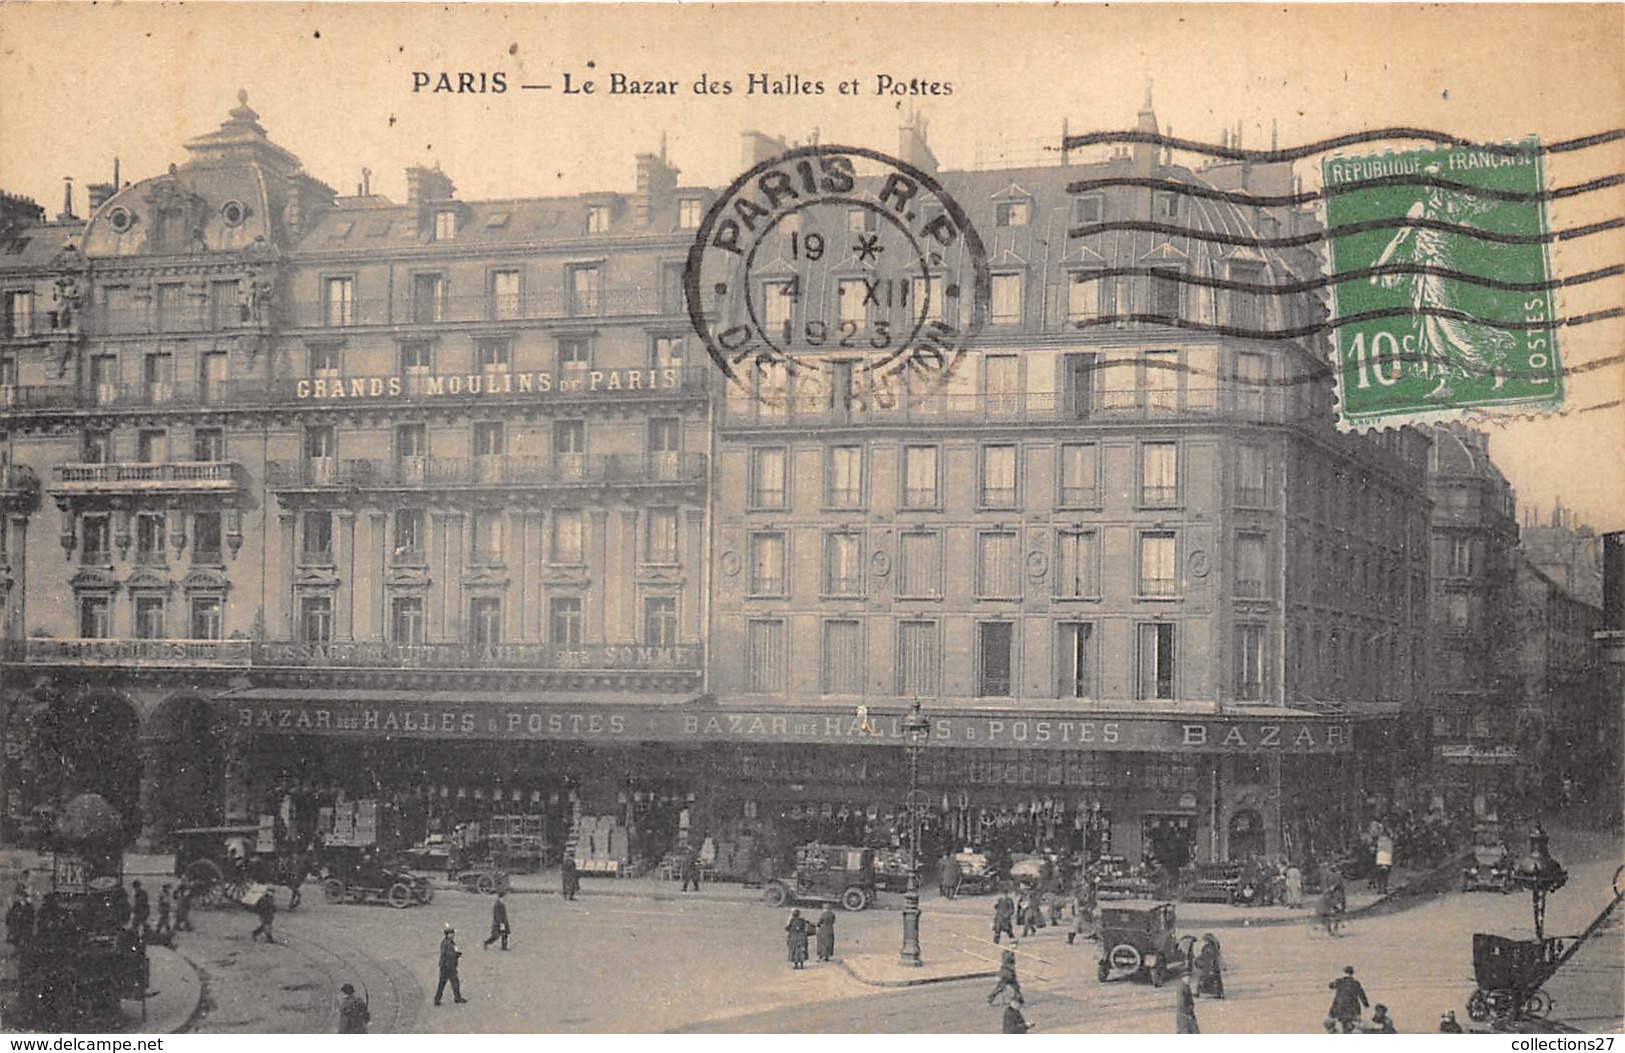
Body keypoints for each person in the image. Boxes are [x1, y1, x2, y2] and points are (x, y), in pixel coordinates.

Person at [1326, 965, 1370, 1033]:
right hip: (1352, 1008)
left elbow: (1330, 986)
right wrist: (1366, 1004)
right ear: (1352, 973)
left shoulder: (1339, 982)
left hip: (1339, 1008)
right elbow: (1362, 995)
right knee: (1350, 1024)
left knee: (1341, 1023)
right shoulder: (1356, 983)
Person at [435, 925, 468, 1004]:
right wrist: (455, 955)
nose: (453, 935)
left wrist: (456, 954)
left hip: (450, 966)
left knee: (452, 983)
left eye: (453, 933)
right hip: (447, 966)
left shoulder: (450, 942)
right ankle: (439, 999)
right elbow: (446, 954)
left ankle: (456, 998)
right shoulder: (446, 943)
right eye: (451, 933)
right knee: (445, 983)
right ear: (447, 935)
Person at [1195, 933, 1224, 999]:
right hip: (1212, 968)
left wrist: (1198, 961)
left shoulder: (1207, 948)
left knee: (1203, 980)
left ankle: (1201, 993)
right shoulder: (1214, 948)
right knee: (1215, 981)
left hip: (1208, 968)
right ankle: (1218, 993)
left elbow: (1205, 958)